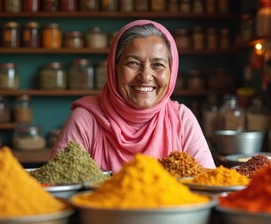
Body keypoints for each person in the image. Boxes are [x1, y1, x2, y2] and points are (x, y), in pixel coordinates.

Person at [50, 20, 215, 171]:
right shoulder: (86, 119)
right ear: (114, 69)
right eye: (133, 63)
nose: (145, 76)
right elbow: (60, 184)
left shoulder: (182, 120)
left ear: (171, 72)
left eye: (158, 65)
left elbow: (207, 184)